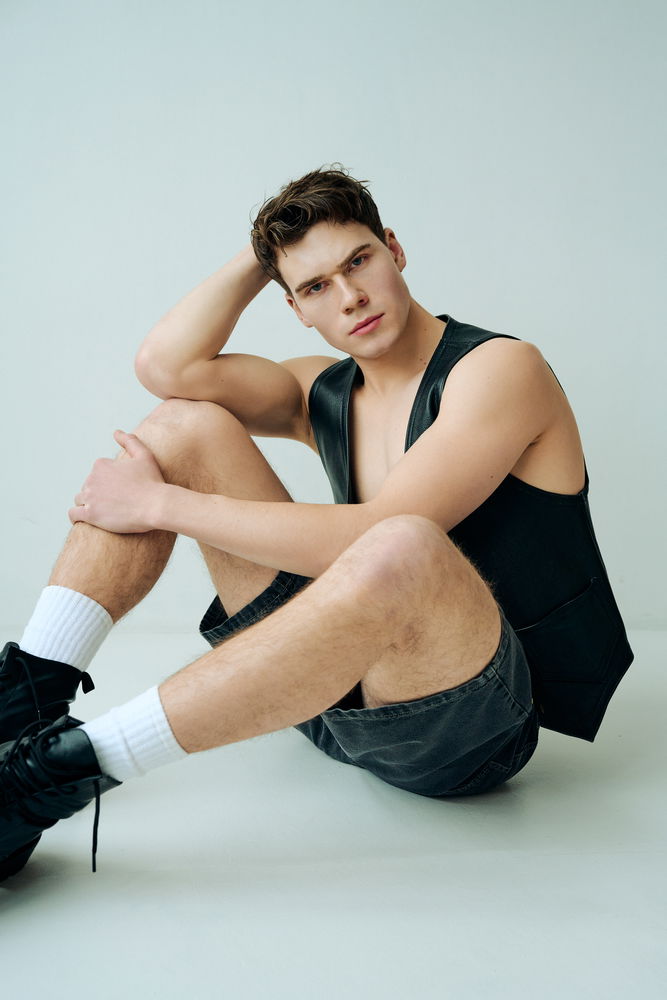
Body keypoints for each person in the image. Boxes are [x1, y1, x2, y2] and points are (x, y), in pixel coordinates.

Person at [0, 165, 633, 881]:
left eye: (357, 261)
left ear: (394, 249)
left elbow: (385, 527)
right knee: (182, 422)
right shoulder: (321, 390)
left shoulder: (499, 369)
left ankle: (39, 782)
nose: (349, 296)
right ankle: (24, 698)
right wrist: (265, 251)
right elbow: (165, 366)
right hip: (320, 696)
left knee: (402, 543)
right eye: (315, 287)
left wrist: (158, 504)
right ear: (295, 307)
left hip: (466, 727)